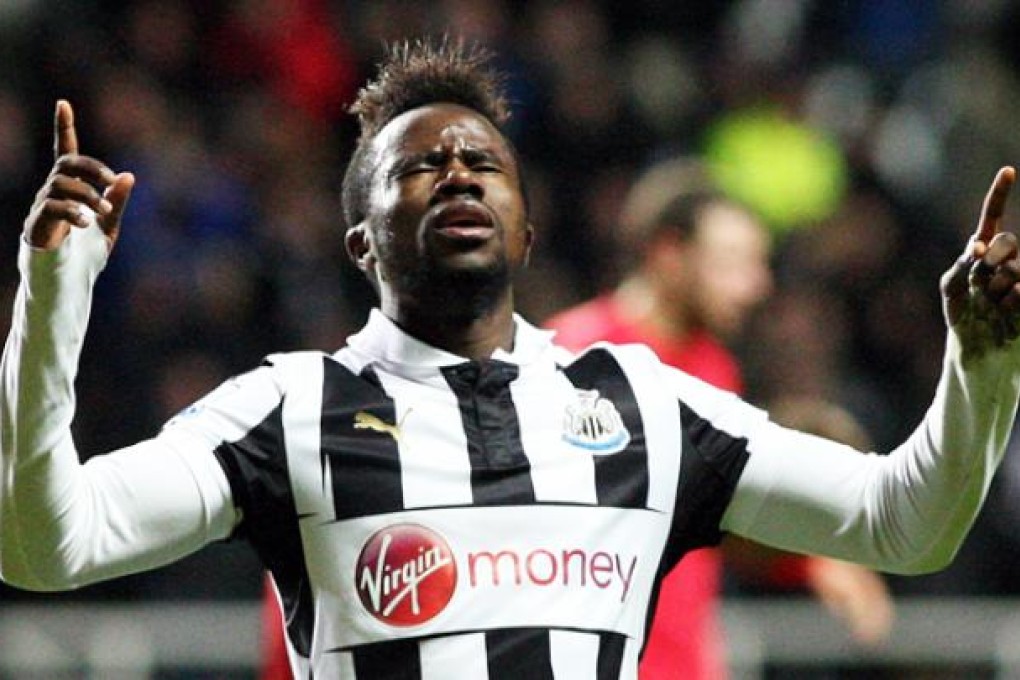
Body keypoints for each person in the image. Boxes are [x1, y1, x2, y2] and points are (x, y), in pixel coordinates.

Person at [2, 37, 1019, 679]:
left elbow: (904, 523)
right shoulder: (283, 409)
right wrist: (54, 298)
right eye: (419, 165)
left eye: (483, 161)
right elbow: (48, 547)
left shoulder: (648, 405)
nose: (457, 172)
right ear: (361, 244)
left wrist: (983, 362)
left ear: (527, 231)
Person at [545, 159, 893, 679]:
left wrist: (812, 557)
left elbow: (708, 513)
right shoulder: (574, 355)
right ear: (669, 253)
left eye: (758, 264)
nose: (755, 286)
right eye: (732, 262)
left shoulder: (714, 367)